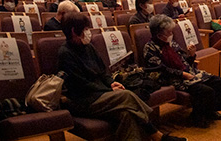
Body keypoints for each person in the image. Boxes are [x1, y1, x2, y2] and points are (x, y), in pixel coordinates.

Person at [56, 12, 185, 141]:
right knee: (126, 95)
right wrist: (109, 90)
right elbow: (81, 85)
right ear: (74, 31)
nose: (88, 32)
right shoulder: (65, 53)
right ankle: (157, 135)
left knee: (126, 114)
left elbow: (103, 72)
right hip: (83, 100)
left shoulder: (88, 47)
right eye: (85, 29)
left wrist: (111, 83)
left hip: (101, 94)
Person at [143, 15, 221, 129]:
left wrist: (192, 55)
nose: (171, 35)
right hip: (170, 78)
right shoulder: (150, 48)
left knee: (219, 81)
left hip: (187, 72)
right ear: (159, 34)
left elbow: (184, 61)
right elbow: (160, 69)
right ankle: (197, 117)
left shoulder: (172, 44)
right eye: (168, 32)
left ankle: (211, 111)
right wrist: (182, 74)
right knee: (205, 90)